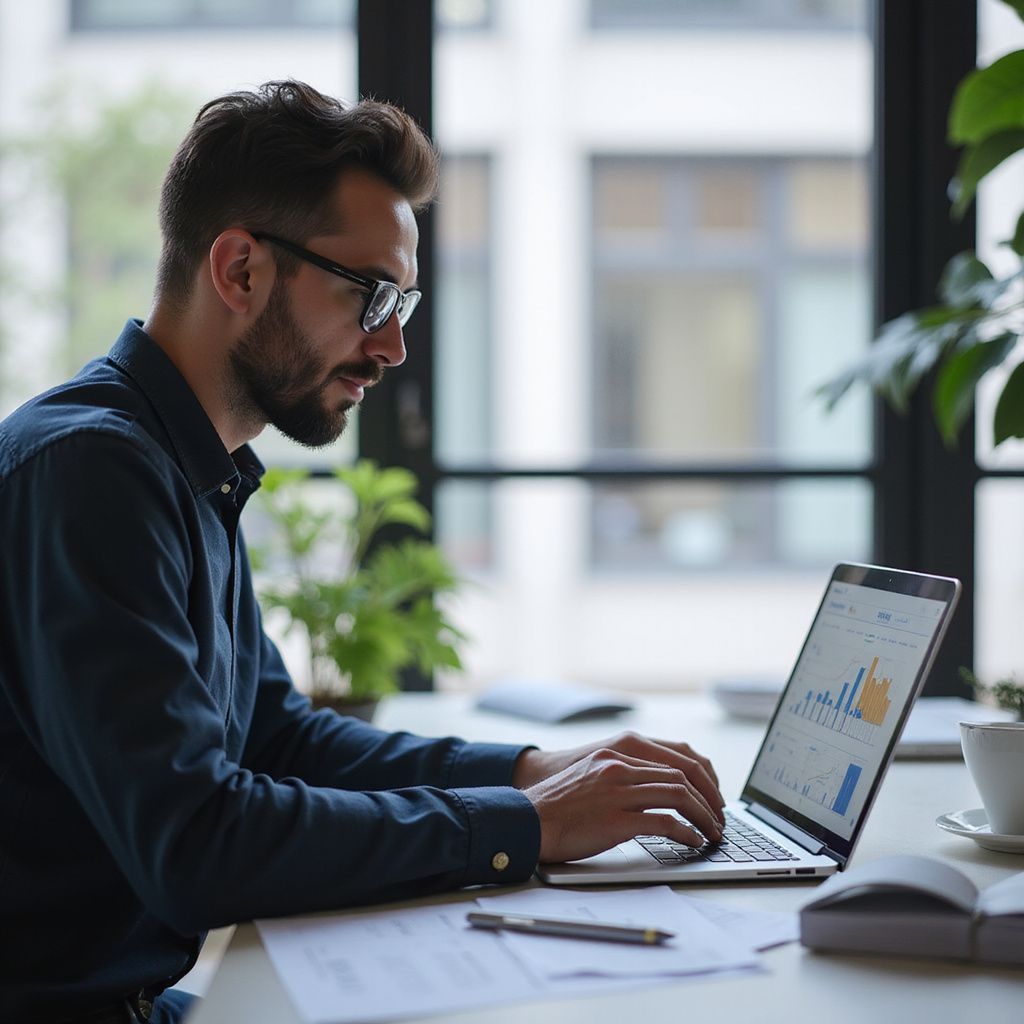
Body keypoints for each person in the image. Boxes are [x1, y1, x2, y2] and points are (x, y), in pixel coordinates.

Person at [0, 80, 725, 1024]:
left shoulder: (186, 466)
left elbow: (276, 738)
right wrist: (530, 827)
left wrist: (526, 774)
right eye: (371, 295)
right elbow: (197, 845)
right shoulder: (91, 471)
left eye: (405, 305)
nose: (392, 346)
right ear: (241, 271)